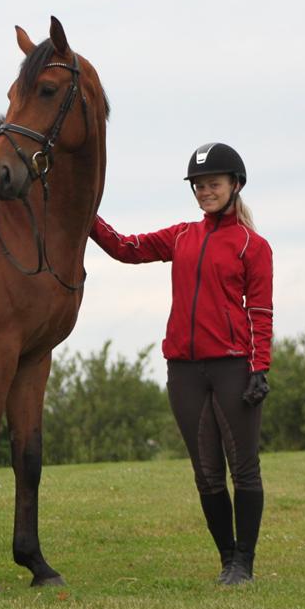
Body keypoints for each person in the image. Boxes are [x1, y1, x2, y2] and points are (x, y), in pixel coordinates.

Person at [90, 142, 273, 585]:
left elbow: (260, 312)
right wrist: (86, 216)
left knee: (243, 469)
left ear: (235, 185)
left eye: (213, 184)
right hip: (184, 371)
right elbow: (125, 247)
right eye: (198, 186)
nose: (205, 192)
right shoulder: (181, 236)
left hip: (232, 368)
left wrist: (259, 367)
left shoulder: (253, 246)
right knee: (206, 473)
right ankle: (227, 560)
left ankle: (244, 563)